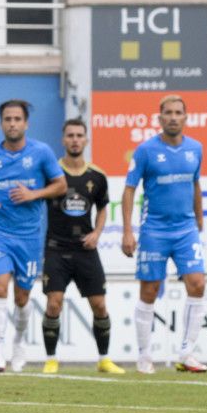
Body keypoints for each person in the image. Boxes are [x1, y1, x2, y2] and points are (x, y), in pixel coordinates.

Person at [0, 99, 66, 373]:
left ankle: (18, 342)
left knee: (22, 298)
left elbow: (60, 185)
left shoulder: (41, 153)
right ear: (1, 123)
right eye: (7, 119)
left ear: (25, 123)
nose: (12, 123)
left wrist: (33, 194)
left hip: (29, 237)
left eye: (17, 119)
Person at [120, 95, 207, 375]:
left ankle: (187, 352)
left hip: (185, 230)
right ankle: (145, 355)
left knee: (197, 283)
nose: (173, 117)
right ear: (159, 118)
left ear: (185, 117)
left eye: (178, 112)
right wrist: (127, 230)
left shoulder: (196, 148)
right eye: (168, 112)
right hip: (154, 231)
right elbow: (130, 189)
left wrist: (199, 218)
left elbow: (195, 184)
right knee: (149, 291)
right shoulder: (146, 151)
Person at [40, 119, 124, 375]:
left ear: (86, 140)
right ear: (63, 140)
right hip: (56, 248)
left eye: (79, 135)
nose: (75, 139)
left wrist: (97, 233)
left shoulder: (97, 176)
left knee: (99, 306)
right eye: (70, 135)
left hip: (85, 250)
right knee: (54, 304)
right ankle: (51, 359)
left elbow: (103, 209)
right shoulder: (51, 173)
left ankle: (104, 359)